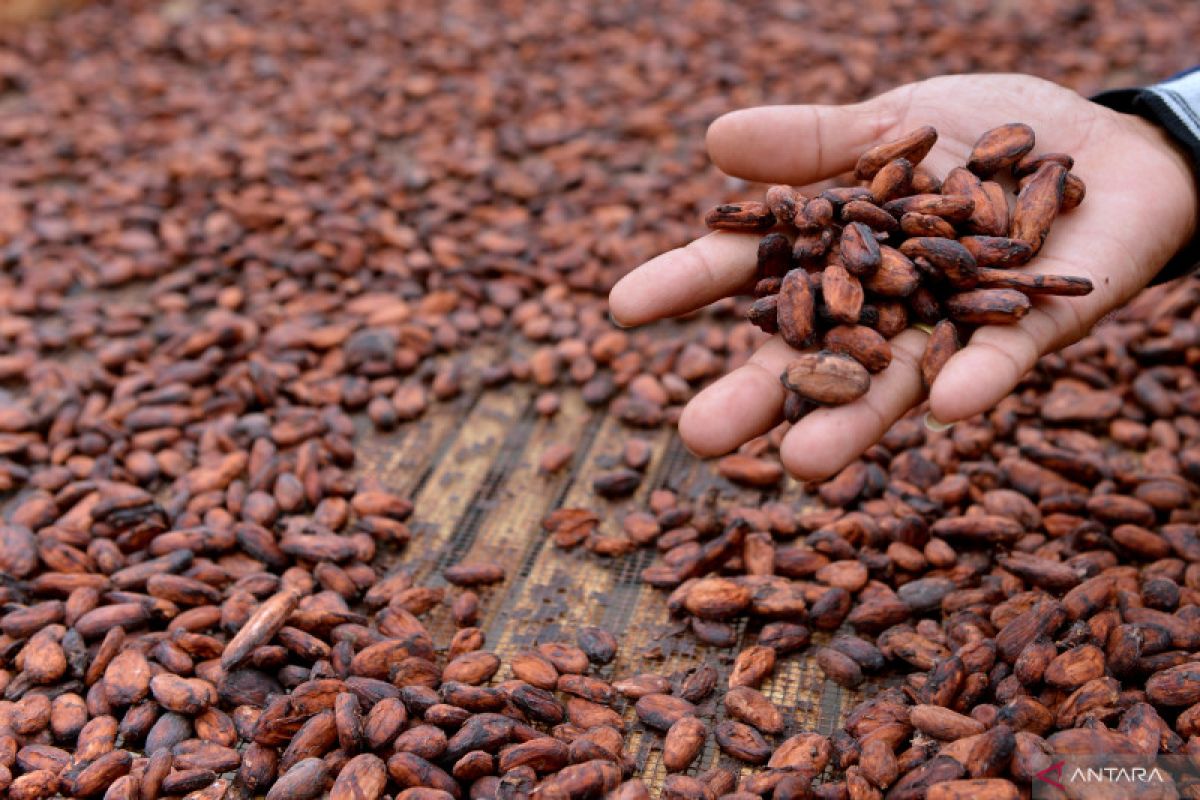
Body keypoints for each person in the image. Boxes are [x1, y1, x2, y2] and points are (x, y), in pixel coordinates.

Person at [608, 73, 1200, 481]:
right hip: (892, 258)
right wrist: (1174, 134)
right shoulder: (862, 245)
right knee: (867, 278)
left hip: (915, 255)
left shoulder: (950, 224)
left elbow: (906, 254)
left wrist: (1169, 145)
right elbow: (867, 258)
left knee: (877, 278)